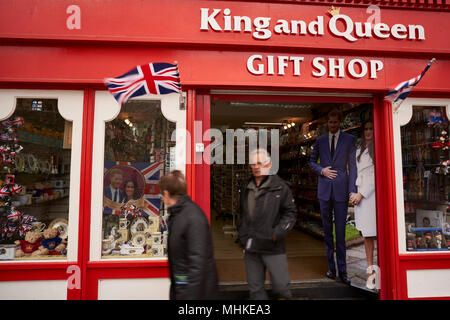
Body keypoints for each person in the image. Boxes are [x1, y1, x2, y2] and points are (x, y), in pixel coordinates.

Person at [238, 148, 297, 300]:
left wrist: (277, 233)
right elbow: (242, 212)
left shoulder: (281, 187)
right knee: (255, 291)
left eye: (260, 163)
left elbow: (290, 214)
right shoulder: (246, 186)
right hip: (251, 247)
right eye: (253, 164)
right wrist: (243, 235)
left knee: (282, 288)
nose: (256, 167)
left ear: (269, 164)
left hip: (273, 246)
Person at [309, 109, 357, 285]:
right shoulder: (320, 141)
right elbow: (311, 161)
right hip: (324, 191)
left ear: (340, 122)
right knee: (327, 232)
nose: (333, 125)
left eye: (336, 122)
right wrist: (321, 170)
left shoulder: (349, 140)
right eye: (330, 123)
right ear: (327, 123)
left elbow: (353, 167)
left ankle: (343, 271)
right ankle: (331, 268)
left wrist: (352, 190)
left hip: (341, 191)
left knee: (341, 233)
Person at [159, 170, 218, 300]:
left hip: (195, 293)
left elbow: (198, 264)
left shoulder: (193, 217)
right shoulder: (177, 215)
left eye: (161, 195)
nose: (162, 198)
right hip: (183, 290)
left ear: (166, 194)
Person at [350, 120, 377, 288]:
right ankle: (370, 270)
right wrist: (353, 192)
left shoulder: (378, 147)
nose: (368, 131)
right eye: (365, 128)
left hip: (372, 195)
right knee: (366, 234)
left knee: (376, 233)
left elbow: (377, 174)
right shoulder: (358, 149)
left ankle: (379, 269)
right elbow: (352, 171)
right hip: (359, 193)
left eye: (371, 128)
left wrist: (362, 193)